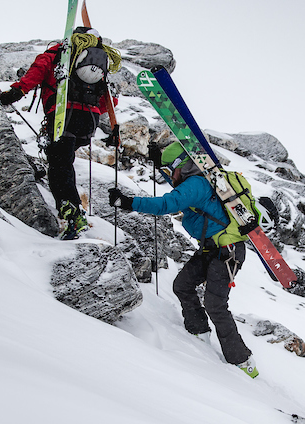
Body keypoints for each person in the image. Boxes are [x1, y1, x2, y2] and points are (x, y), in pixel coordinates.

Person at [106, 142, 259, 378]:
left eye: (171, 169)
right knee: (182, 285)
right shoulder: (197, 182)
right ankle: (199, 334)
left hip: (227, 252)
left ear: (183, 166)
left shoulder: (196, 184)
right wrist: (158, 162)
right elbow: (179, 192)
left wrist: (127, 202)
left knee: (215, 304)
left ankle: (242, 360)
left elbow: (167, 204)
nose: (169, 174)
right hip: (211, 249)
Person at [0, 28, 119, 240]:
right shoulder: (97, 64)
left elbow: (37, 72)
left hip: (64, 116)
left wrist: (15, 93)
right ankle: (73, 211)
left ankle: (71, 215)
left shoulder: (60, 54)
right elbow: (109, 100)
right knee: (64, 161)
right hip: (88, 123)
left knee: (58, 166)